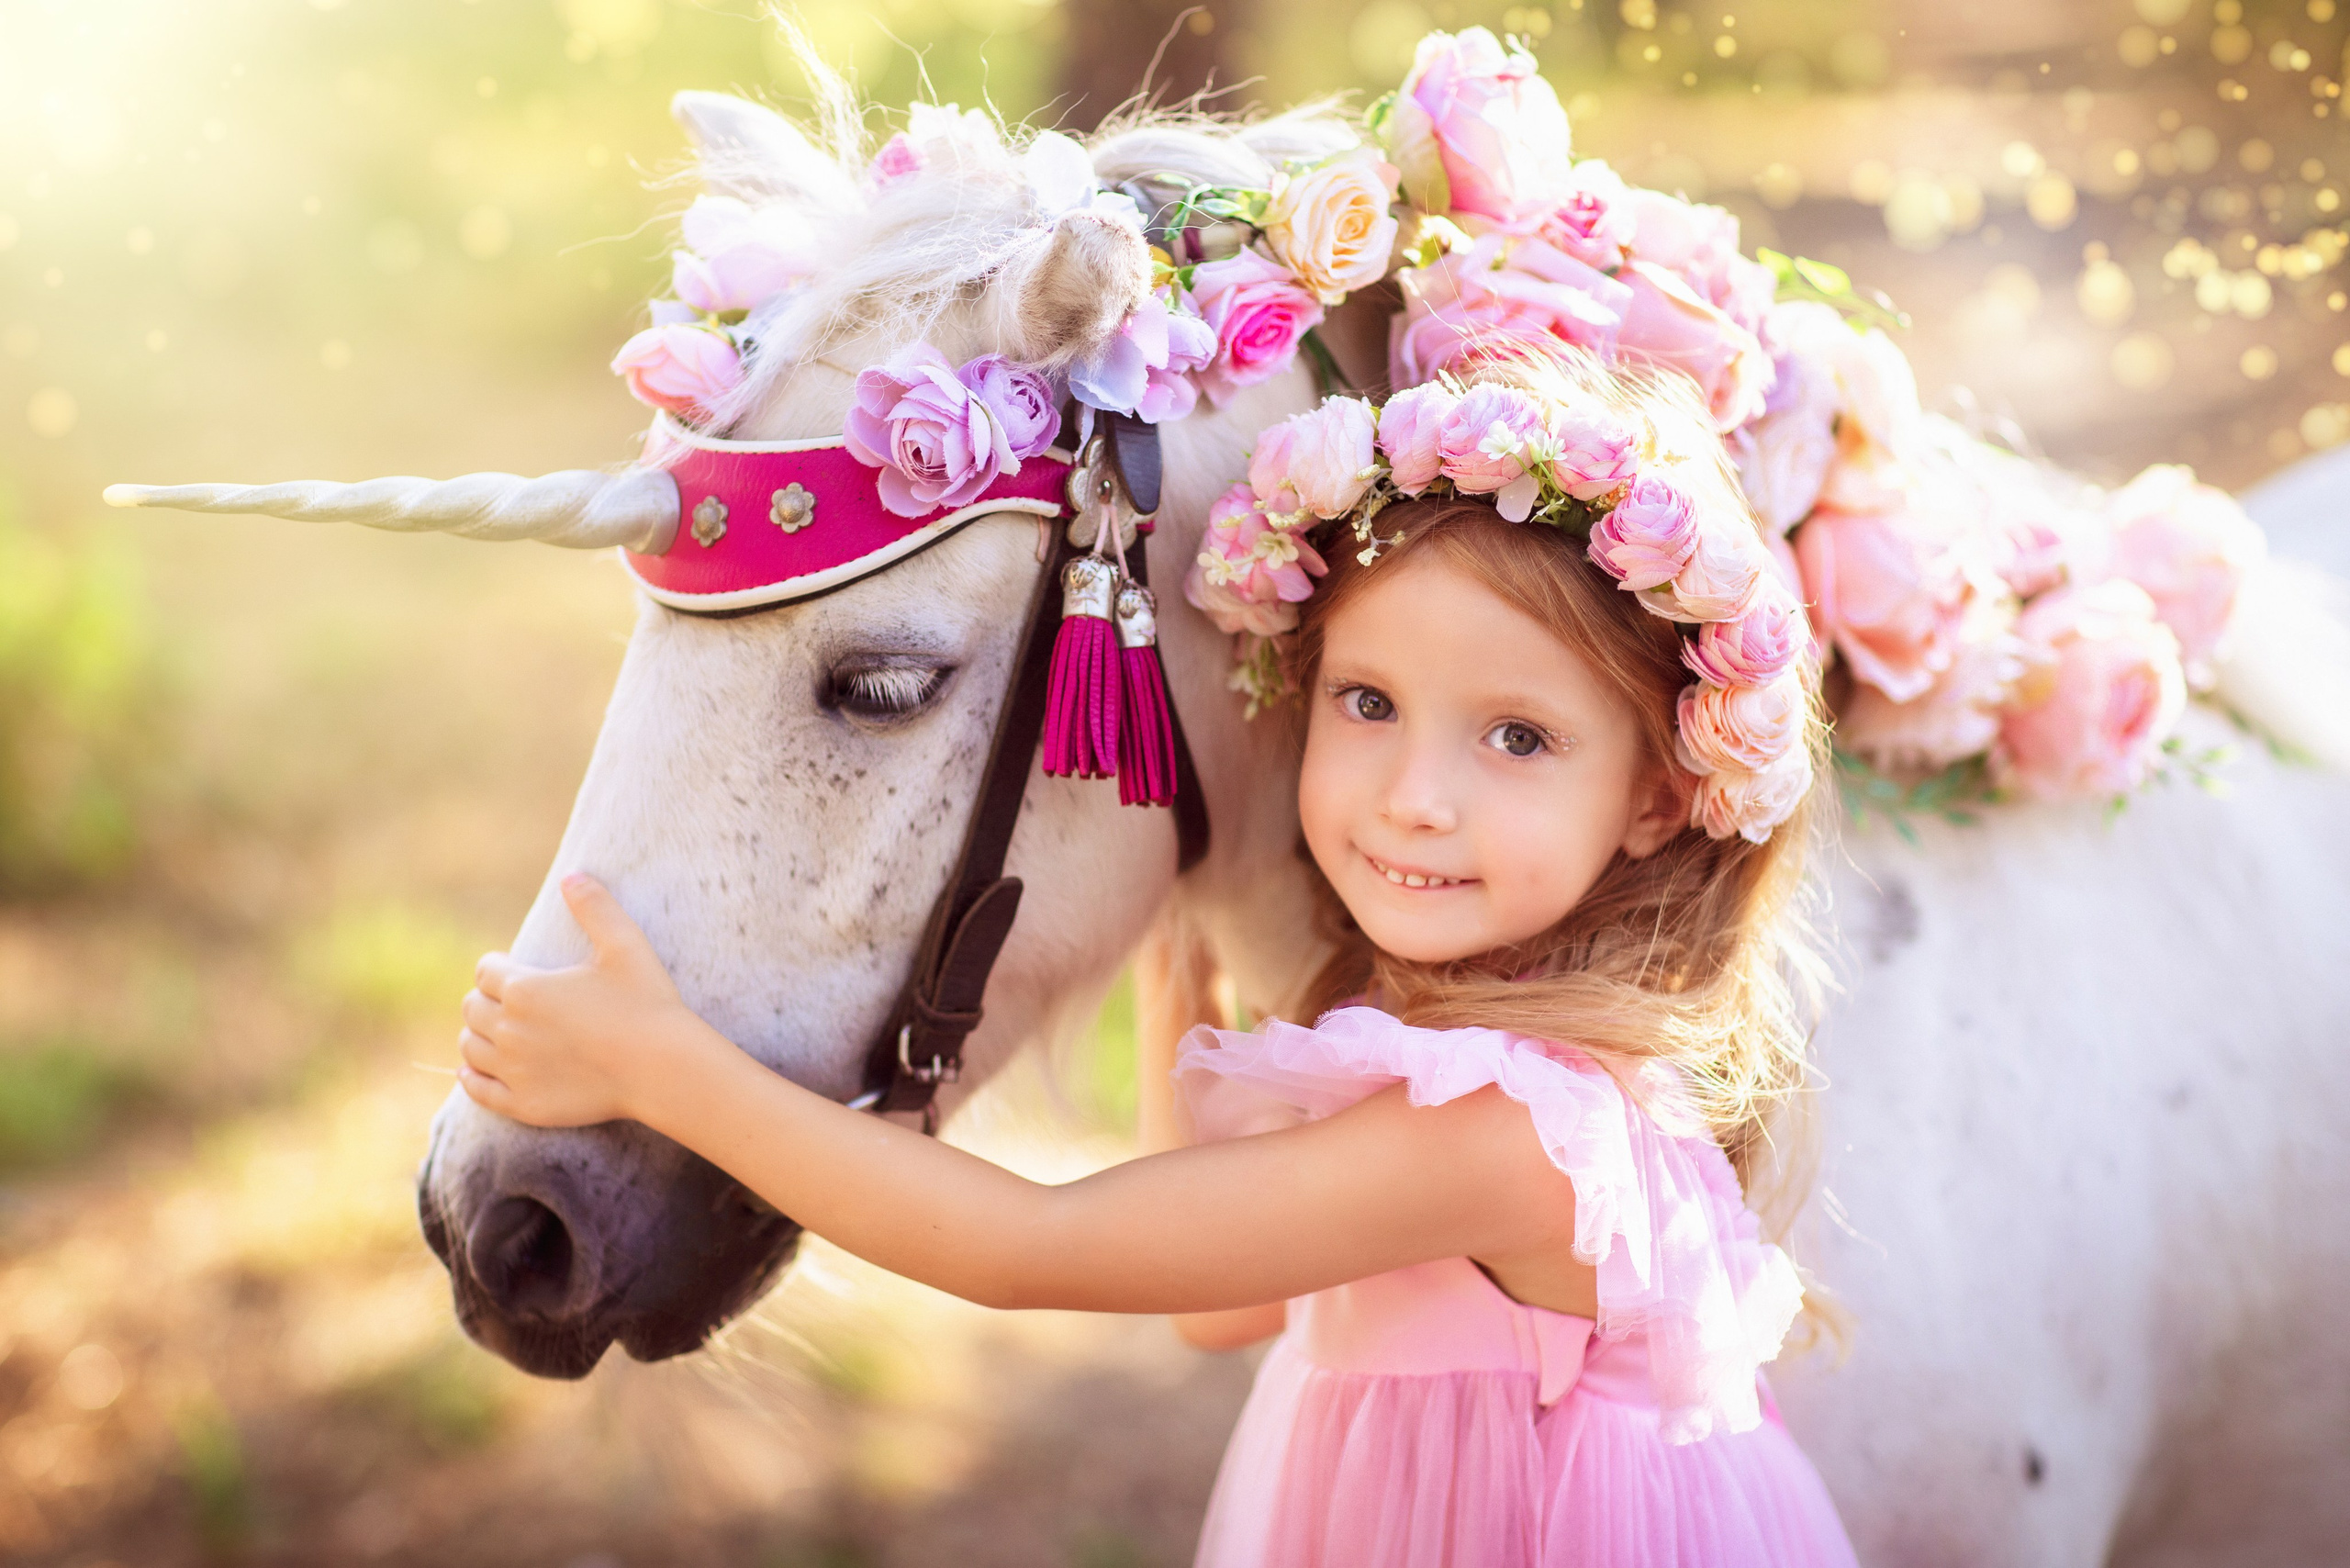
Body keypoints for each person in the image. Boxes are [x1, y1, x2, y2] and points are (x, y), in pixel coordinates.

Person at [453, 350, 1861, 1566]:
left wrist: (669, 1070)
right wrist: (1179, 938)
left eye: (1518, 739)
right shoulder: (1446, 1044)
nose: (1415, 796)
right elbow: (1219, 1308)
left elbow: (1024, 1249)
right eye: (1368, 702)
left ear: (1660, 798)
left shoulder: (1515, 1132)